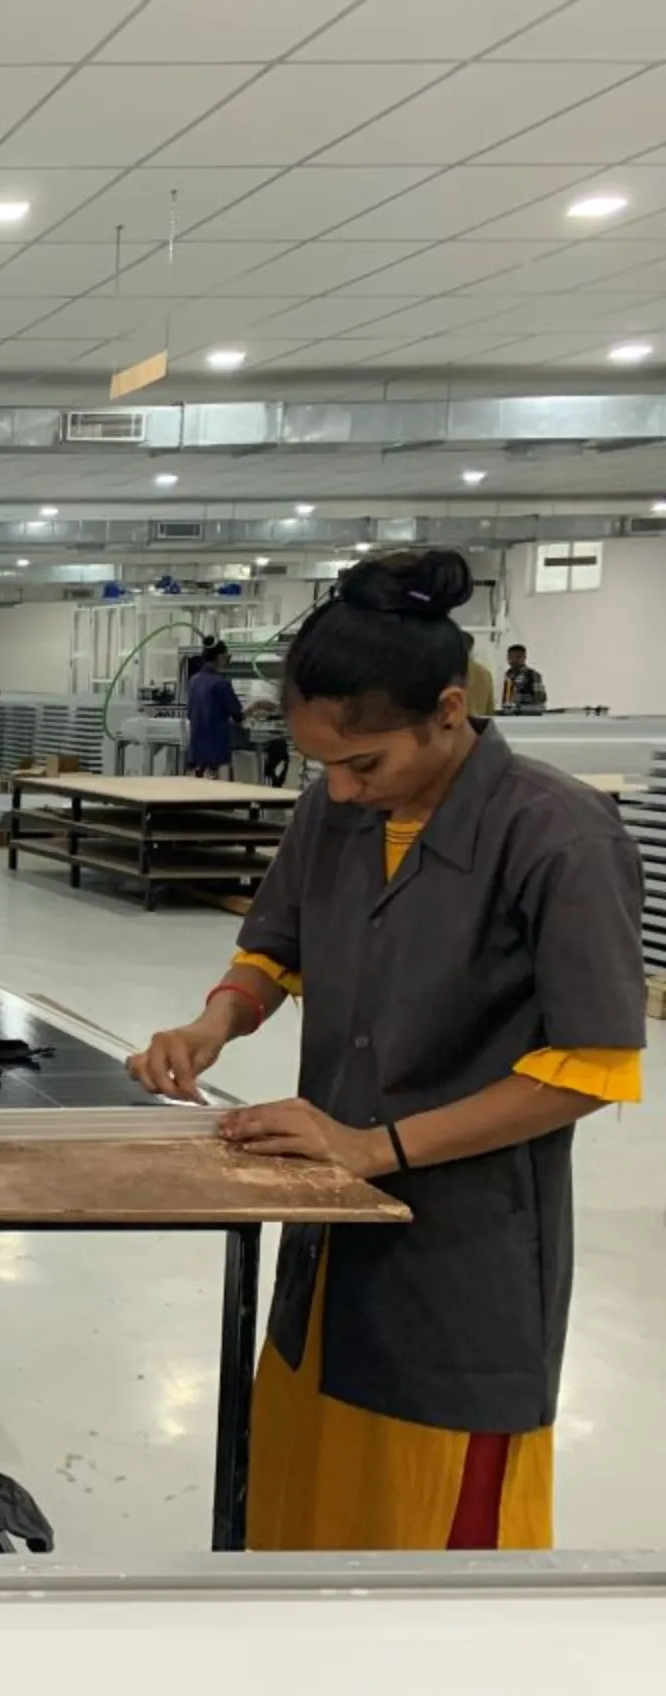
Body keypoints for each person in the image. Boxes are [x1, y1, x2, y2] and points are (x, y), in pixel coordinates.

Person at [126, 548, 643, 1553]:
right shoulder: (335, 809)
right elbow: (273, 948)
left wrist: (375, 1147)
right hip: (328, 1238)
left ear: (450, 710)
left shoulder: (557, 834)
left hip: (463, 1261)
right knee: (302, 1520)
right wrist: (212, 1023)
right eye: (326, 766)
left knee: (429, 1561)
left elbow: (588, 1067)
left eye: (367, 764)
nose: (347, 790)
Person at [184, 640, 244, 779]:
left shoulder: (194, 681)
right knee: (219, 795)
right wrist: (257, 706)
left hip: (196, 753)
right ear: (220, 657)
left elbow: (190, 714)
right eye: (226, 656)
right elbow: (237, 717)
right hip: (216, 755)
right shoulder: (221, 684)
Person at [502, 644, 548, 714]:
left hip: (527, 716)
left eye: (518, 657)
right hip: (510, 715)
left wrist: (519, 701)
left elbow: (540, 699)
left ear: (524, 658)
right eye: (511, 657)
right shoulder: (508, 674)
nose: (513, 660)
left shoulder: (533, 675)